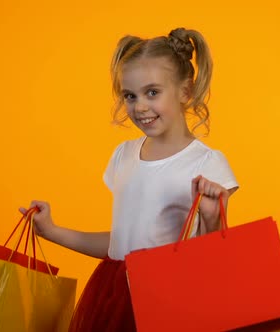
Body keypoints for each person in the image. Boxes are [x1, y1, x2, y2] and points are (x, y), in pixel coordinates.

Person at [20, 27, 239, 331]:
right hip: (114, 295)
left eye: (152, 92)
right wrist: (53, 231)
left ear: (185, 92)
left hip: (168, 300)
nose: (140, 107)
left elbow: (209, 263)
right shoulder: (124, 155)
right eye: (130, 96)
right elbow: (120, 247)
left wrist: (213, 220)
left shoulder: (205, 164)